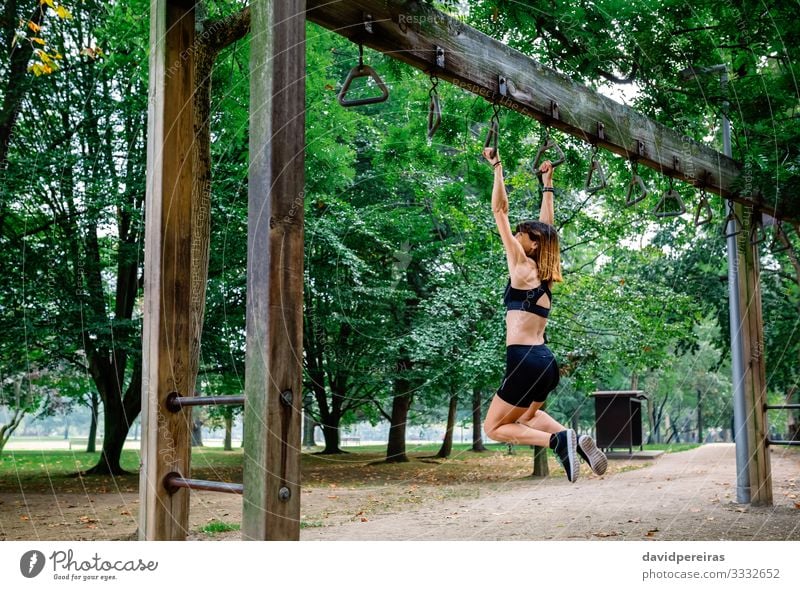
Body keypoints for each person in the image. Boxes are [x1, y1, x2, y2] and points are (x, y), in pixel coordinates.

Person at [481, 146, 607, 482]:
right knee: (524, 419)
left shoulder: (521, 266)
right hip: (546, 363)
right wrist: (547, 185)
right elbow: (547, 230)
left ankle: (558, 441)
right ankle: (575, 440)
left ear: (532, 245)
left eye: (522, 234)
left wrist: (497, 166)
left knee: (494, 428)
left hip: (523, 360)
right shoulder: (546, 275)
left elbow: (499, 210)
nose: (516, 236)